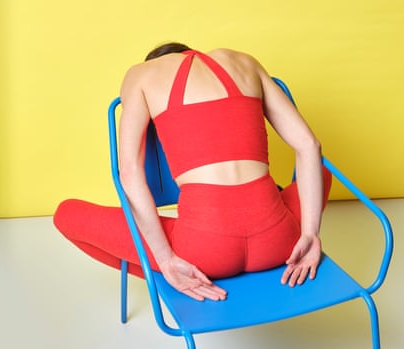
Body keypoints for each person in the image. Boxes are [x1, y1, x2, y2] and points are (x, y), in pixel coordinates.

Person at [54, 42, 332, 302]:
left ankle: (172, 275)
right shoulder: (244, 61)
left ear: (157, 61)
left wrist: (165, 259)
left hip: (203, 253)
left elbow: (129, 173)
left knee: (65, 214)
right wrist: (310, 234)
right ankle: (279, 242)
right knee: (322, 173)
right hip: (281, 244)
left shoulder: (141, 75)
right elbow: (310, 145)